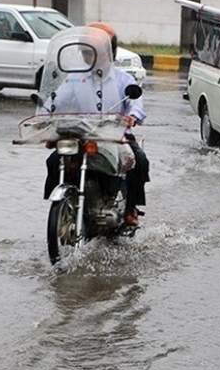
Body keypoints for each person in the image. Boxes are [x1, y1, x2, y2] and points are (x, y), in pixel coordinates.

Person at [42, 22, 150, 226]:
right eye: (85, 52)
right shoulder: (75, 79)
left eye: (92, 52)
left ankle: (130, 209)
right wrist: (45, 113)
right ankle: (62, 205)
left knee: (140, 161)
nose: (87, 57)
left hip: (115, 136)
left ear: (108, 53)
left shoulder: (123, 79)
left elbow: (136, 104)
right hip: (82, 134)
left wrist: (132, 116)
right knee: (54, 161)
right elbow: (56, 100)